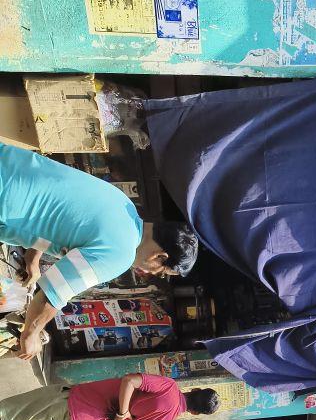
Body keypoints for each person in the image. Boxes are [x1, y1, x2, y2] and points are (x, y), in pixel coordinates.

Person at [0, 142, 199, 361]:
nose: (151, 273)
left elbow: (60, 205)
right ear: (160, 257)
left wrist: (33, 257)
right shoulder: (120, 255)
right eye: (160, 272)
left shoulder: (123, 204)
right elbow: (52, 294)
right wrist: (31, 333)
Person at [0, 373, 220, 420]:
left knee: (8, 416)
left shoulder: (169, 387)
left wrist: (122, 411)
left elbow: (130, 381)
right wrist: (123, 417)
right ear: (195, 413)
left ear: (195, 390)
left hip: (74, 402)